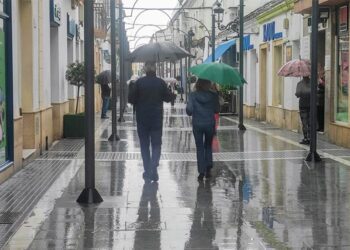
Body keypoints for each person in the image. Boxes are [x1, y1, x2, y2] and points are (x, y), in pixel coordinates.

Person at [128, 62, 175, 182]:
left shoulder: (139, 82)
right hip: (156, 118)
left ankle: (148, 170)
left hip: (142, 118)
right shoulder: (160, 82)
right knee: (156, 144)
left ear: (145, 69)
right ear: (155, 69)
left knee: (144, 145)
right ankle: (153, 167)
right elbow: (168, 98)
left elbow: (131, 99)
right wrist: (172, 94)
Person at [186, 79, 220, 181]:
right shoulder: (213, 95)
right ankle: (208, 168)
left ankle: (201, 171)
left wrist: (188, 108)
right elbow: (217, 110)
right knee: (208, 146)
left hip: (197, 124)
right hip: (209, 123)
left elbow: (189, 111)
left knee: (200, 147)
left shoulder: (193, 95)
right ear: (208, 84)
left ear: (198, 84)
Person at [295, 76, 311, 145]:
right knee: (309, 122)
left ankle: (306, 138)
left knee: (305, 122)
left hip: (304, 105)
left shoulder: (300, 84)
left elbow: (297, 94)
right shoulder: (312, 83)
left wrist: (300, 93)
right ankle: (309, 138)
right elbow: (316, 91)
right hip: (310, 105)